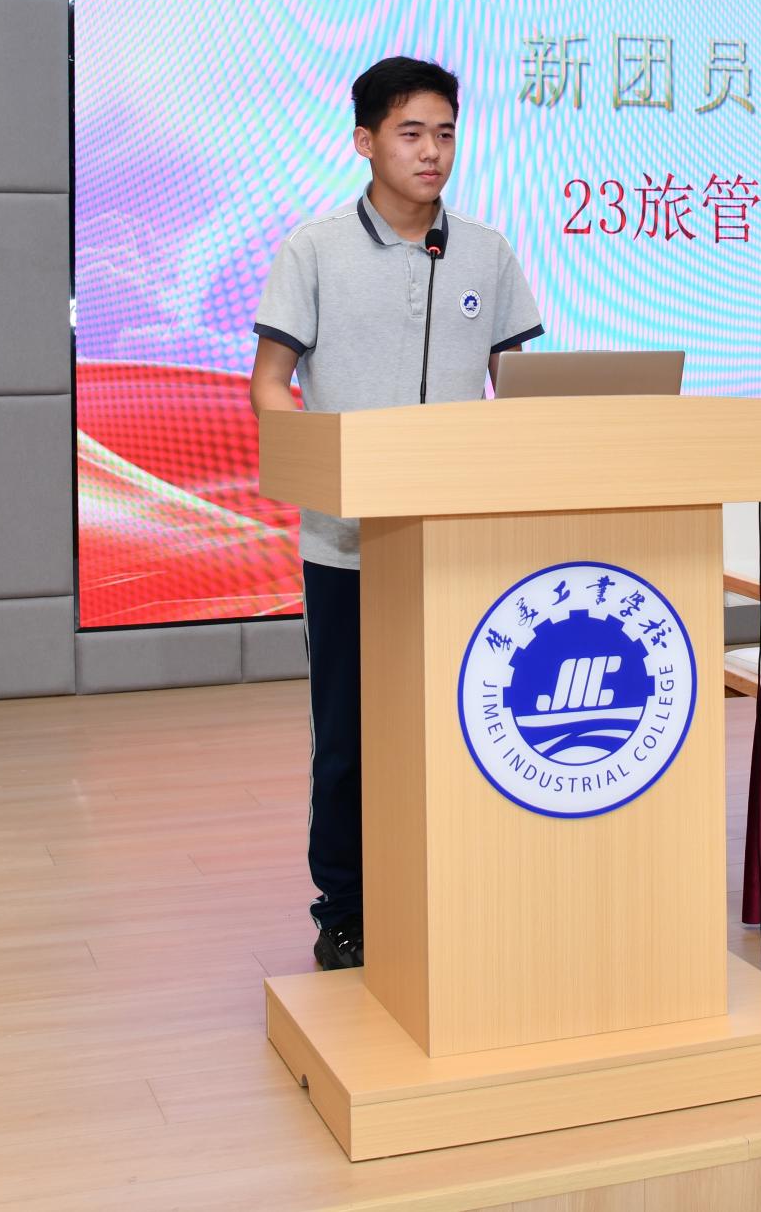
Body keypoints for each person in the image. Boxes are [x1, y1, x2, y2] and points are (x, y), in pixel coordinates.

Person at [249, 56, 544, 970]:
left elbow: (520, 390)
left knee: (463, 726)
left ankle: (448, 888)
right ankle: (345, 909)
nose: (432, 152)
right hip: (348, 545)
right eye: (411, 133)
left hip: (458, 543)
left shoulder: (485, 252)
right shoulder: (314, 250)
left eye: (445, 133)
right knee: (348, 739)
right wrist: (315, 461)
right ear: (365, 141)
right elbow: (270, 384)